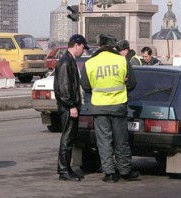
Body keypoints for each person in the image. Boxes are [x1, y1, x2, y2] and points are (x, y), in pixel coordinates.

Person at [80, 34, 139, 183]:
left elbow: (85, 86)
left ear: (99, 46)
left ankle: (109, 173)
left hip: (99, 107)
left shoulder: (90, 63)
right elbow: (132, 83)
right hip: (118, 105)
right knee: (121, 140)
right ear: (113, 46)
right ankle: (125, 171)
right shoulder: (122, 61)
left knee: (104, 141)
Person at [54, 34, 89, 182]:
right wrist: (71, 105)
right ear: (76, 45)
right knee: (67, 138)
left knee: (70, 138)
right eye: (82, 47)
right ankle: (64, 170)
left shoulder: (69, 60)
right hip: (68, 107)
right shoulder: (66, 62)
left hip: (69, 106)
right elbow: (64, 87)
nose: (83, 51)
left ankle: (66, 168)